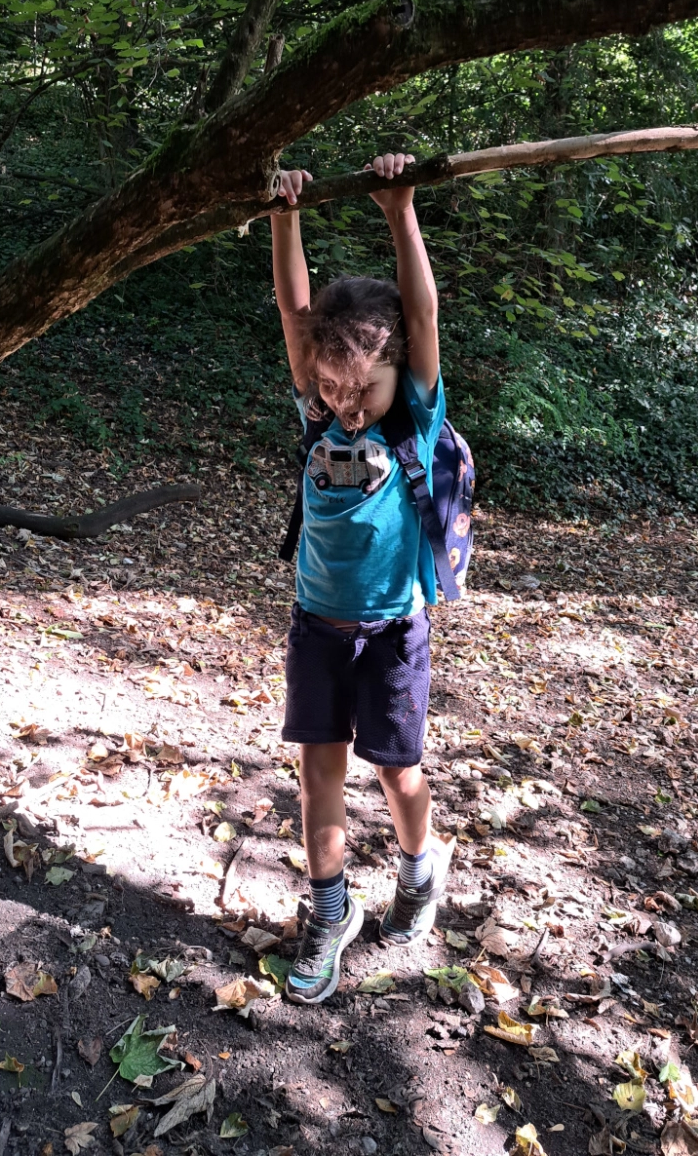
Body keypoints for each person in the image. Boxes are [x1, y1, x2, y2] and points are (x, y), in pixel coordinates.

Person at [270, 151, 455, 1006]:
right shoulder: (319, 408)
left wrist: (399, 208)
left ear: (397, 374)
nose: (347, 404)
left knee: (398, 770)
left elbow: (420, 311)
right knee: (319, 773)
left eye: (363, 390)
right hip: (316, 626)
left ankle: (419, 873)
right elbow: (295, 309)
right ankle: (329, 909)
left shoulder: (412, 410)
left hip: (391, 630)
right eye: (335, 387)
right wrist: (283, 215)